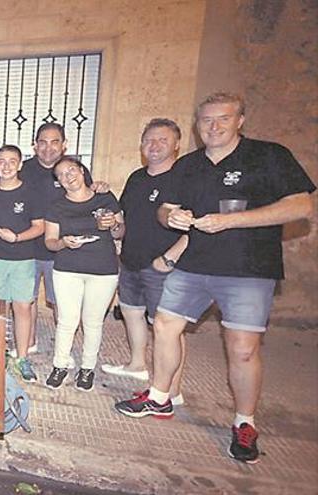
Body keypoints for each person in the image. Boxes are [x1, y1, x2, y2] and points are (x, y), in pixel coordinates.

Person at [115, 92, 315, 464]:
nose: (214, 126)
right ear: (197, 124)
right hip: (193, 264)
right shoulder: (189, 166)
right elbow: (167, 206)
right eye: (206, 120)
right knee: (164, 325)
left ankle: (244, 422)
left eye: (223, 119)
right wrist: (170, 216)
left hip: (247, 268)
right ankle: (159, 398)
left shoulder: (268, 156)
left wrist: (232, 220)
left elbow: (301, 205)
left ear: (240, 120)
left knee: (242, 348)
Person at [101, 119, 188, 405]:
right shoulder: (137, 178)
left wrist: (169, 258)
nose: (154, 145)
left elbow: (194, 227)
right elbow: (124, 219)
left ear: (177, 144)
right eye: (149, 140)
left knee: (168, 326)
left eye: (162, 140)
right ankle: (137, 365)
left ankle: (172, 390)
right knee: (132, 313)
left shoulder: (183, 178)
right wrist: (114, 228)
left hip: (163, 265)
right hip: (131, 259)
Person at [19, 123, 106, 354]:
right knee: (27, 299)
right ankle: (29, 341)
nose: (48, 148)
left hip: (62, 249)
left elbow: (88, 197)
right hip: (27, 247)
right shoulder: (23, 170)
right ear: (35, 145)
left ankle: (62, 348)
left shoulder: (75, 170)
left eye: (55, 141)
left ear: (64, 144)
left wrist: (98, 187)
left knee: (60, 302)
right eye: (43, 142)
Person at [43, 156, 124, 392]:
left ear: (82, 170)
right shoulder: (57, 206)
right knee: (67, 320)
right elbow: (50, 241)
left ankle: (87, 368)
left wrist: (114, 225)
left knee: (93, 322)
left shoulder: (105, 197)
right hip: (67, 268)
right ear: (59, 182)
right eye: (62, 175)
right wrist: (64, 243)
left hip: (103, 268)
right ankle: (59, 365)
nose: (69, 176)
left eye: (72, 170)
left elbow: (120, 233)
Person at [0, 145, 45, 382]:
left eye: (12, 161)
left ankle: (22, 358)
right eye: (1, 161)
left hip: (23, 260)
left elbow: (40, 226)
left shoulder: (31, 192)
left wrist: (16, 237)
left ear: (20, 164)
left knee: (23, 307)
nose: (6, 166)